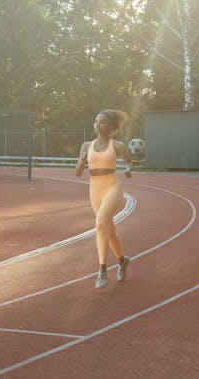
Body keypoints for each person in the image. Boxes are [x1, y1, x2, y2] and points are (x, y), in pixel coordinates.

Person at [75, 109, 134, 289]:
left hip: (112, 188)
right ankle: (122, 260)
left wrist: (128, 169)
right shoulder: (86, 146)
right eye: (95, 121)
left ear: (110, 127)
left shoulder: (117, 145)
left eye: (101, 122)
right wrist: (81, 162)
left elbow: (128, 160)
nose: (97, 125)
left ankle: (102, 270)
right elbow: (78, 174)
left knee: (100, 224)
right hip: (95, 190)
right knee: (109, 230)